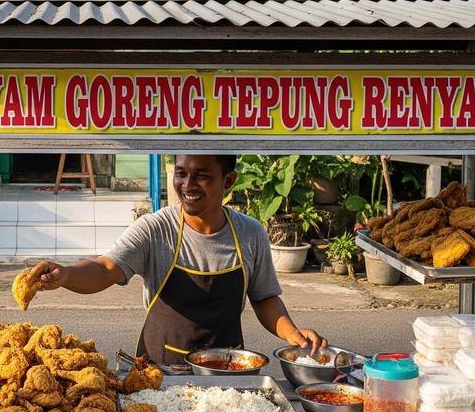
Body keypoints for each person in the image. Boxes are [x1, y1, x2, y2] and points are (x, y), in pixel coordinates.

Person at [30, 154, 326, 364]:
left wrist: (292, 333)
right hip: (159, 371)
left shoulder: (251, 233)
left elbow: (264, 299)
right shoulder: (154, 229)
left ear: (229, 180)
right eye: (182, 173)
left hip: (228, 371)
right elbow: (106, 268)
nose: (187, 185)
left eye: (202, 175)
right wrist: (66, 274)